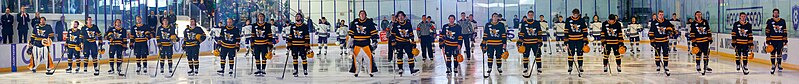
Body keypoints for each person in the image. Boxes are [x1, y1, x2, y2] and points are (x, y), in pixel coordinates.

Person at [349, 10, 379, 77]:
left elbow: (373, 32)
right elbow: (351, 33)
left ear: (365, 15)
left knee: (368, 59)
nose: (362, 15)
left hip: (366, 44)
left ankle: (370, 72)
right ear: (359, 15)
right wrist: (350, 42)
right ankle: (356, 72)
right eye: (361, 14)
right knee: (357, 60)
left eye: (363, 14)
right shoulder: (355, 22)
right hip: (357, 44)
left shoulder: (369, 22)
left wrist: (374, 40)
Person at [390, 11, 418, 76]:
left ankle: (412, 69)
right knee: (399, 56)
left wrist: (413, 42)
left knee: (410, 55)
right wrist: (393, 42)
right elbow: (392, 34)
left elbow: (411, 33)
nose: (401, 17)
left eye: (402, 16)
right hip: (399, 42)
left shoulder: (408, 23)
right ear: (397, 17)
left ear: (404, 16)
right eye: (399, 16)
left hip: (407, 42)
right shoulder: (395, 24)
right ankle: (400, 68)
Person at [649, 10, 676, 76]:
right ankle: (658, 65)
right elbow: (651, 32)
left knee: (665, 53)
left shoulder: (666, 21)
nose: (661, 16)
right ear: (658, 15)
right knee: (657, 54)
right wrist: (652, 41)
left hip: (665, 41)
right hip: (657, 41)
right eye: (660, 14)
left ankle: (666, 65)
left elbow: (672, 27)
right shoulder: (654, 22)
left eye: (662, 14)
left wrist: (671, 30)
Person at [518, 11, 544, 76]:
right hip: (526, 43)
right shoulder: (524, 23)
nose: (530, 16)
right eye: (529, 15)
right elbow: (521, 33)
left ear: (533, 15)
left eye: (532, 15)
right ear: (527, 15)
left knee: (538, 55)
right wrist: (520, 41)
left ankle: (539, 68)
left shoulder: (536, 23)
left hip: (535, 42)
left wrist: (540, 40)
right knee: (525, 56)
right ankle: (525, 68)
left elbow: (539, 32)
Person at [482, 13, 507, 78]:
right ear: (492, 17)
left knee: (499, 56)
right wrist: (483, 43)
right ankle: (489, 68)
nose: (495, 18)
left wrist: (504, 43)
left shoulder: (501, 25)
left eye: (496, 17)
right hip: (490, 44)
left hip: (499, 43)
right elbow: (485, 34)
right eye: (494, 17)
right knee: (490, 56)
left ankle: (499, 67)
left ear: (498, 18)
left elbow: (504, 35)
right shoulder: (488, 25)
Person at [564, 9, 588, 74]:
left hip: (579, 40)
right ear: (572, 13)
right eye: (574, 14)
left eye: (576, 14)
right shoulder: (568, 20)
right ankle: (570, 66)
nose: (575, 15)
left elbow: (585, 30)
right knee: (570, 54)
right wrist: (566, 40)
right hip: (571, 40)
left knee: (580, 53)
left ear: (578, 14)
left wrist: (585, 40)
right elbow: (566, 30)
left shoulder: (581, 20)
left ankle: (580, 66)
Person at [765, 9, 787, 74]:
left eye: (777, 13)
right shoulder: (769, 21)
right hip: (772, 40)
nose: (776, 14)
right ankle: (773, 65)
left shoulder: (782, 21)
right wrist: (768, 39)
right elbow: (767, 31)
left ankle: (779, 64)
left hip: (780, 40)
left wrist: (785, 39)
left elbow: (784, 31)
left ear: (778, 13)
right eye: (775, 13)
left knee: (779, 53)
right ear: (773, 13)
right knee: (773, 53)